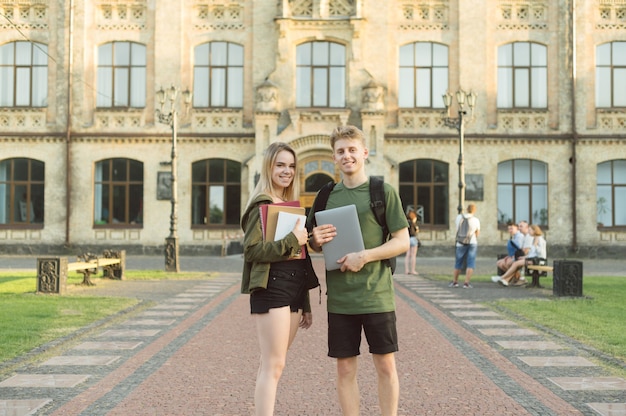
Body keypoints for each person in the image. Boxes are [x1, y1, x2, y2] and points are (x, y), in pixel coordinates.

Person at [307, 125, 409, 416]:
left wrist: (365, 256)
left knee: (385, 366)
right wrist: (314, 240)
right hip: (340, 298)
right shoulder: (325, 196)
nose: (347, 155)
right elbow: (314, 241)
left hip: (376, 295)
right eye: (341, 151)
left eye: (352, 150)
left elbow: (402, 241)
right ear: (334, 157)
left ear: (364, 152)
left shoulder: (383, 192)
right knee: (344, 368)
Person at [240, 142, 319, 416]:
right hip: (272, 287)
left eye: (292, 166)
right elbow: (251, 251)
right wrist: (290, 240)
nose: (287, 171)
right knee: (272, 365)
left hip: (294, 287)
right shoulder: (261, 204)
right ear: (269, 167)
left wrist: (306, 302)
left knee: (276, 363)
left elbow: (300, 255)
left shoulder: (289, 206)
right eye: (280, 165)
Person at [449, 203, 480, 288]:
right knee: (471, 262)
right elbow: (477, 232)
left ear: (466, 209)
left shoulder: (459, 217)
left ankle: (455, 281)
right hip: (472, 242)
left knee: (458, 262)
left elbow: (457, 229)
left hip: (460, 242)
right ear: (474, 210)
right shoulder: (476, 220)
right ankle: (466, 283)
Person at [404, 208, 420, 275]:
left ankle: (407, 270)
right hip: (413, 239)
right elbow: (416, 231)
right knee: (413, 255)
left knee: (407, 255)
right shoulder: (413, 224)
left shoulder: (405, 223)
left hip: (407, 239)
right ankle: (413, 270)